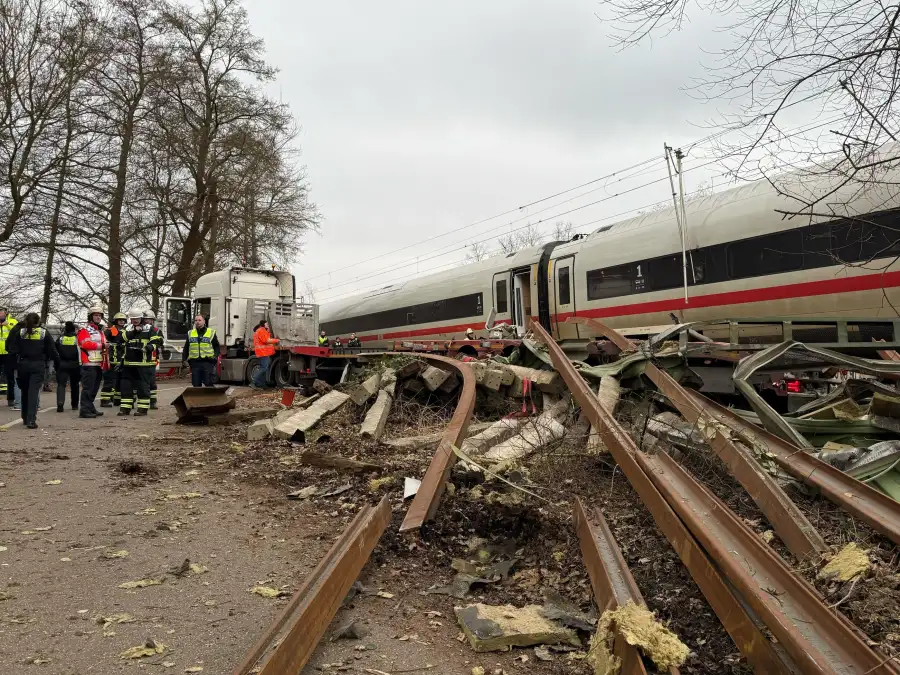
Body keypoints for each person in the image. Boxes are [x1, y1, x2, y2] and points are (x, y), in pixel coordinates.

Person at [14, 313, 57, 429]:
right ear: (38, 322)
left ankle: (24, 417)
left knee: (25, 391)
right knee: (33, 392)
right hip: (38, 364)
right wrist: (57, 361)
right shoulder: (43, 333)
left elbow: (11, 347)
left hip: (23, 364)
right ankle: (31, 420)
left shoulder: (21, 333)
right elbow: (52, 350)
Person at [119, 310, 156, 416]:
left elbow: (157, 341)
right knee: (126, 387)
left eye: (137, 318)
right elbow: (122, 338)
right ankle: (125, 409)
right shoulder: (127, 328)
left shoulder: (149, 329)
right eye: (133, 318)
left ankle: (142, 409)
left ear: (141, 318)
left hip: (143, 364)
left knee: (142, 387)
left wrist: (149, 348)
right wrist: (135, 331)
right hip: (128, 364)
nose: (134, 320)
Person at [77, 306, 106, 419]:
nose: (98, 317)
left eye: (100, 315)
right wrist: (102, 346)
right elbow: (84, 344)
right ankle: (84, 410)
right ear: (90, 316)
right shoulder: (84, 330)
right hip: (88, 363)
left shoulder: (99, 330)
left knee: (94, 388)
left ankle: (90, 407)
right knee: (88, 388)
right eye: (96, 315)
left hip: (98, 363)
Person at [183, 314, 220, 387]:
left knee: (208, 382)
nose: (197, 322)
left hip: (207, 362)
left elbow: (216, 347)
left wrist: (215, 356)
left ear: (204, 321)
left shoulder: (211, 332)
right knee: (196, 384)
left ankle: (211, 398)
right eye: (196, 320)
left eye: (199, 320)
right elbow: (186, 347)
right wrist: (184, 360)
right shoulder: (190, 333)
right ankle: (198, 398)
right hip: (195, 363)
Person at [101, 313, 128, 407]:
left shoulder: (126, 330)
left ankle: (117, 400)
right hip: (111, 360)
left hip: (122, 360)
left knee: (120, 381)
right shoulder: (110, 331)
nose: (121, 321)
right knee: (109, 380)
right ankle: (105, 400)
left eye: (123, 320)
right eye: (119, 320)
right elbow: (105, 342)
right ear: (115, 321)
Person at [54, 321, 81, 412]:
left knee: (61, 385)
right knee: (75, 385)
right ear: (74, 329)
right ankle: (74, 405)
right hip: (75, 364)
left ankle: (60, 404)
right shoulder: (77, 339)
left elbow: (55, 349)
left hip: (62, 364)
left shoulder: (61, 338)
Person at [142, 310, 163, 409]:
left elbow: (161, 342)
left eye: (149, 319)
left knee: (151, 382)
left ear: (152, 320)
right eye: (145, 319)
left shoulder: (157, 331)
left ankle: (152, 401)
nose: (147, 321)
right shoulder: (139, 330)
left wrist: (154, 345)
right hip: (140, 360)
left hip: (152, 359)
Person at [0, 305, 20, 409]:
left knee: (10, 377)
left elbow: (17, 332)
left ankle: (11, 399)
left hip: (8, 353)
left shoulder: (13, 321)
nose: (0, 314)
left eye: (1, 312)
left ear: (6, 313)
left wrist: (7, 325)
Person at [251, 320, 278, 388]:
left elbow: (266, 338)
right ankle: (254, 382)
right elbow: (266, 341)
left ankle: (261, 384)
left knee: (263, 368)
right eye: (266, 324)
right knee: (264, 368)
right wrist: (277, 340)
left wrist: (268, 331)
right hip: (263, 352)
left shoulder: (260, 331)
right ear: (263, 324)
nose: (268, 325)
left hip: (262, 352)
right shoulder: (261, 331)